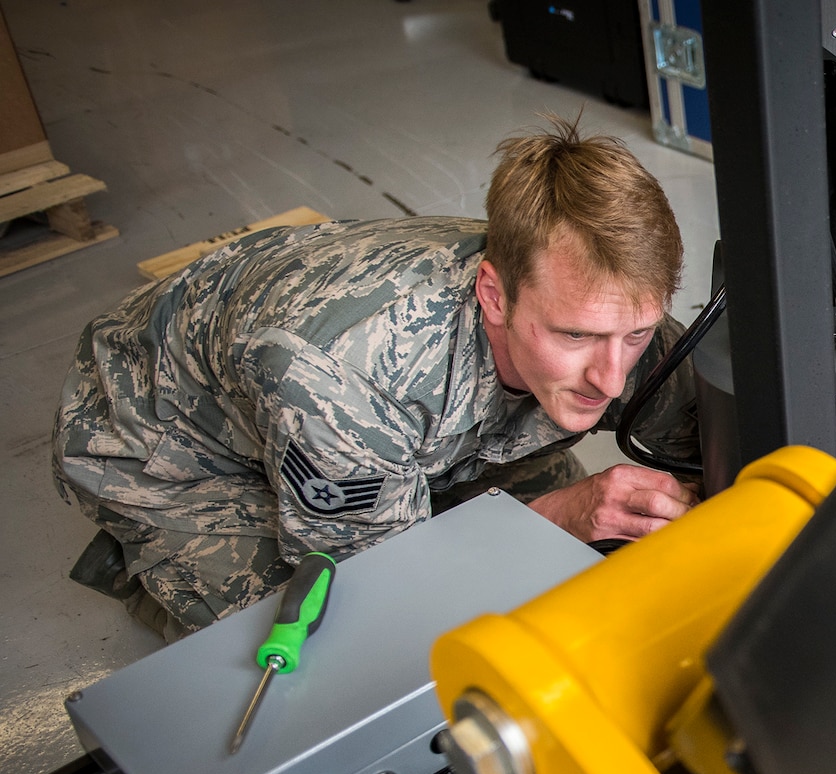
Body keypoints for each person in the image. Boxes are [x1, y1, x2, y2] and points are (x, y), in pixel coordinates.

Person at [51, 117, 702, 640]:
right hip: (168, 441)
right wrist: (562, 512)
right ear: (496, 296)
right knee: (341, 647)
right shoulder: (337, 381)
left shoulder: (601, 303)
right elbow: (388, 591)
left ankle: (410, 489)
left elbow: (707, 432)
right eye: (575, 337)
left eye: (636, 334)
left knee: (563, 570)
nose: (613, 378)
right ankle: (154, 569)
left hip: (352, 394)